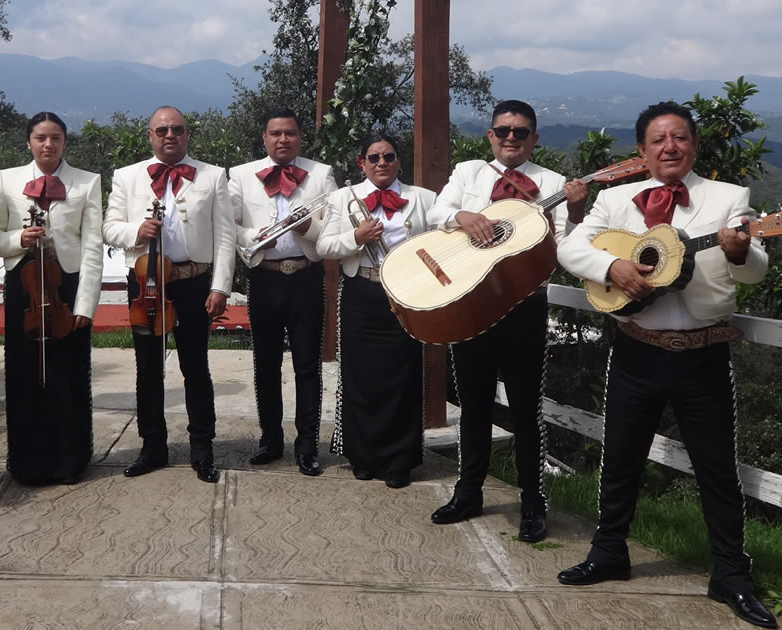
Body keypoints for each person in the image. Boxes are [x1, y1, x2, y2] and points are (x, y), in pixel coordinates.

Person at [556, 102, 775, 629]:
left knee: (716, 469)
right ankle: (610, 551)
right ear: (641, 151)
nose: (670, 147)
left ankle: (730, 574)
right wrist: (613, 265)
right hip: (636, 346)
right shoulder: (614, 199)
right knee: (621, 456)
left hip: (702, 353)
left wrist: (741, 251)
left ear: (694, 146)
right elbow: (570, 246)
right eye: (658, 140)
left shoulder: (729, 199)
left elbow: (755, 271)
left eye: (679, 138)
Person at [427, 100, 587, 543]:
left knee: (524, 408)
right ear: (490, 135)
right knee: (474, 402)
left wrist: (574, 214)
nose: (511, 138)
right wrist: (463, 215)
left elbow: (571, 251)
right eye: (503, 130)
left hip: (524, 305)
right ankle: (469, 491)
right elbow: (433, 214)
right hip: (472, 304)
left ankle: (532, 501)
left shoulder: (553, 184)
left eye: (521, 132)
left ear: (535, 138)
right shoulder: (468, 173)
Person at [102, 106, 235, 484]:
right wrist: (136, 232)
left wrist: (220, 286)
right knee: (148, 368)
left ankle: (202, 447)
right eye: (161, 130)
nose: (169, 135)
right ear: (150, 136)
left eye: (177, 129)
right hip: (146, 284)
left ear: (187, 134)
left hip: (193, 281)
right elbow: (109, 228)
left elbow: (225, 236)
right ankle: (152, 446)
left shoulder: (212, 176)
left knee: (196, 367)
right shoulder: (127, 176)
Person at [316, 134, 435, 489]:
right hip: (361, 293)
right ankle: (363, 456)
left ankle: (400, 460)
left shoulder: (423, 198)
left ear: (398, 161)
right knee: (361, 376)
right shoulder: (343, 197)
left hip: (405, 293)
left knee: (404, 376)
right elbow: (324, 245)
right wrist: (356, 237)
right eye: (374, 157)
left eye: (389, 156)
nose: (381, 163)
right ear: (361, 163)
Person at [0, 112, 103, 485]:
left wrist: (86, 304)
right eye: (40, 138)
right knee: (25, 375)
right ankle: (27, 463)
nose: (48, 145)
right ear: (29, 142)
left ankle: (70, 461)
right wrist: (15, 240)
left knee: (67, 374)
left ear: (64, 142)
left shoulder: (87, 182)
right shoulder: (7, 179)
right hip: (24, 286)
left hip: (66, 286)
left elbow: (92, 248)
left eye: (55, 138)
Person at [229, 107, 337, 476]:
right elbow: (230, 224)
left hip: (306, 278)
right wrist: (252, 238)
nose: (283, 140)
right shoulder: (242, 175)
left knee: (308, 367)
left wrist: (308, 227)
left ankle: (307, 445)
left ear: (300, 137)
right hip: (265, 277)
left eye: (290, 133)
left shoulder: (321, 174)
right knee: (266, 365)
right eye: (275, 133)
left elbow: (335, 233)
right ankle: (270, 440)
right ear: (264, 137)